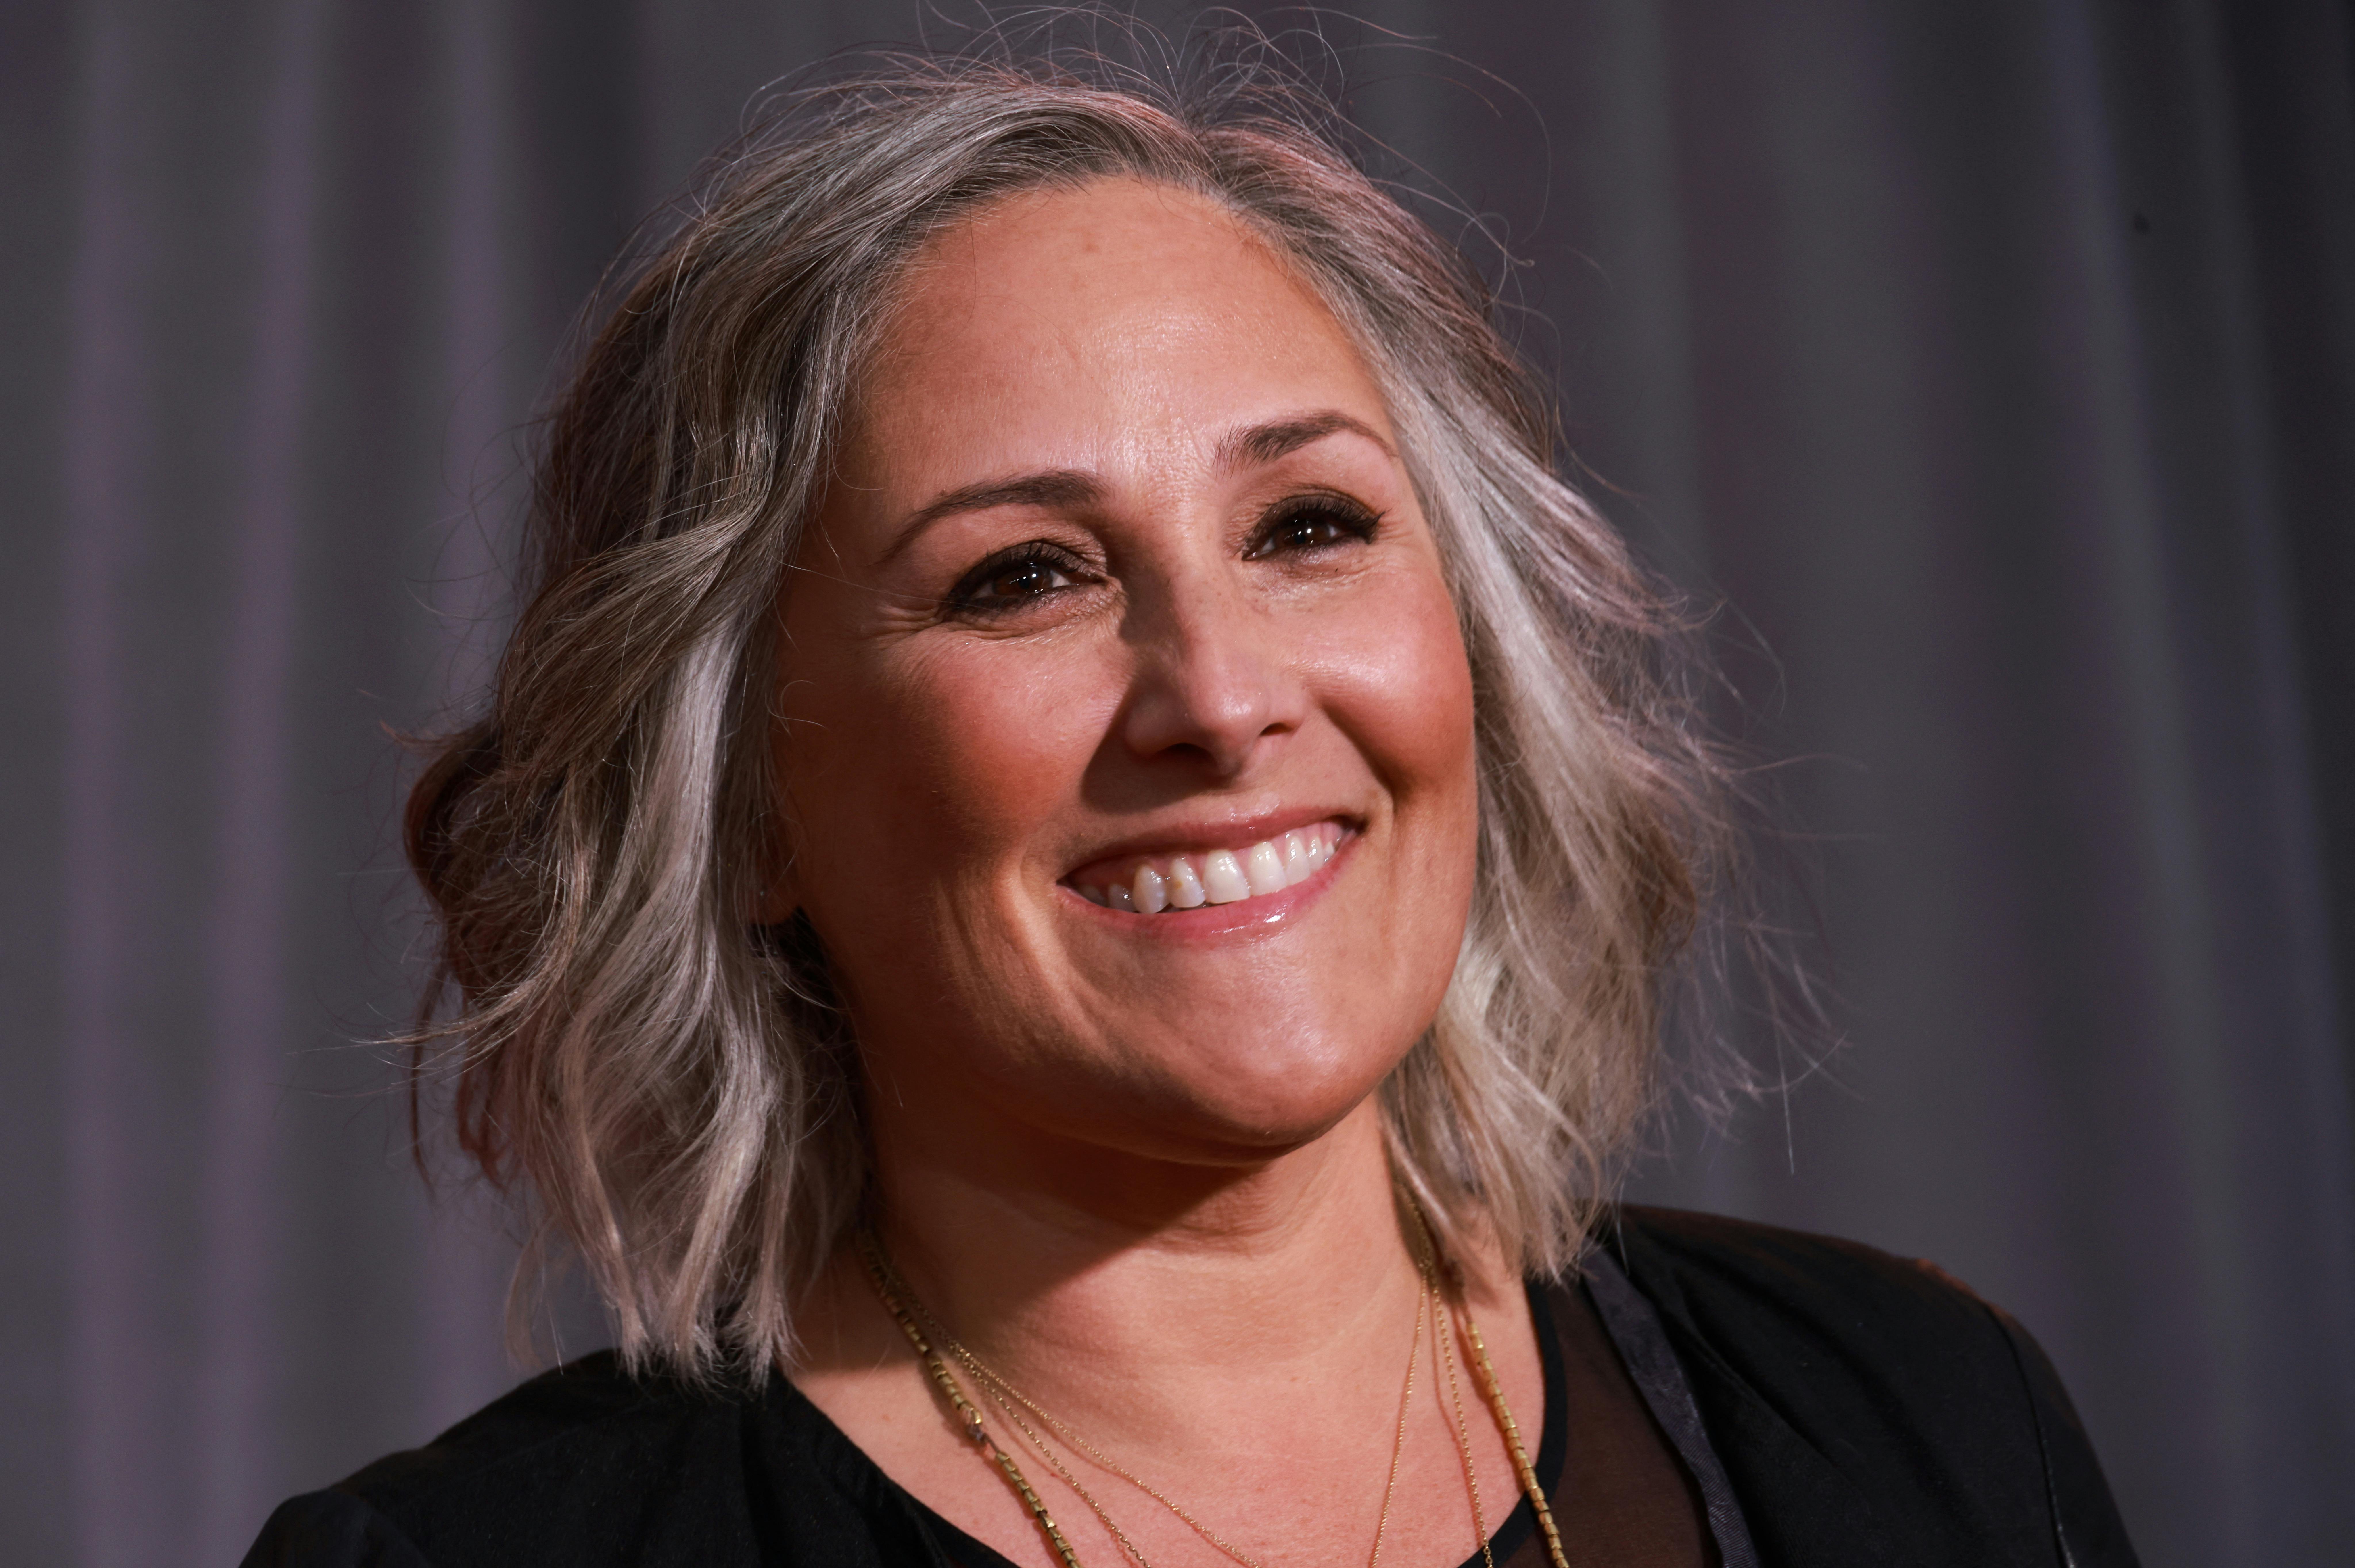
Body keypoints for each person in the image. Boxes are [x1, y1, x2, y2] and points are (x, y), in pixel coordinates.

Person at [246, 38, 2136, 1568]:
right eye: (1025, 578)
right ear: (740, 806)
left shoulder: (1922, 1425)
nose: (1224, 701)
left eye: (1308, 528)